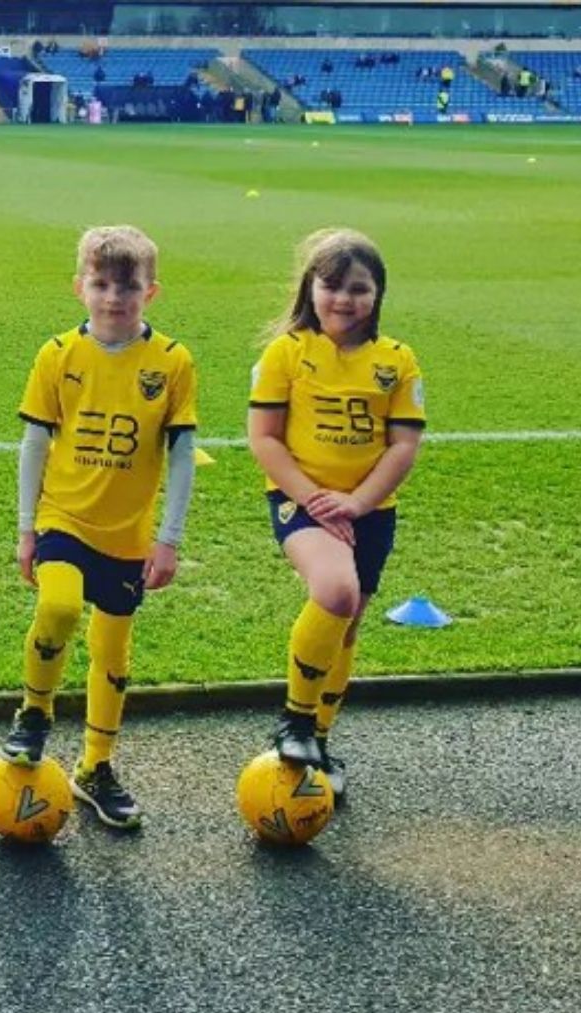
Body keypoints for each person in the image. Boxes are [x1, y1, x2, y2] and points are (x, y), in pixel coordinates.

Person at [1, 226, 199, 830]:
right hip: (65, 518)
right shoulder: (57, 354)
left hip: (129, 536)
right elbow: (35, 442)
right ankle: (34, 714)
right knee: (58, 608)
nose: (114, 297)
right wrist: (27, 527)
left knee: (112, 652)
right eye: (102, 283)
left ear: (152, 291)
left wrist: (167, 539)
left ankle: (95, 767)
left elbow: (183, 454)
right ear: (80, 287)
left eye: (128, 286)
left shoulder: (171, 362)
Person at [247, 229, 422, 796]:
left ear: (378, 295)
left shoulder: (396, 362)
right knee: (335, 592)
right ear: (310, 288)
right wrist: (314, 500)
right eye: (331, 286)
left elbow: (402, 446)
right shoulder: (287, 352)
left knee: (346, 627)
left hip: (369, 509)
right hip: (299, 501)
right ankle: (295, 721)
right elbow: (265, 439)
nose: (343, 299)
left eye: (357, 289)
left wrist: (357, 502)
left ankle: (319, 740)